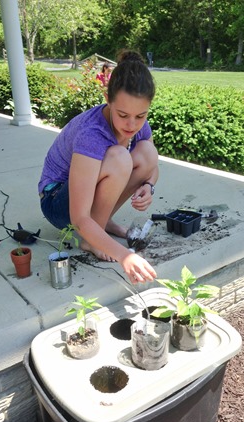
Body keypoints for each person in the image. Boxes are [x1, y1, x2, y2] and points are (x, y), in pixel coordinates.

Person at [38, 49, 159, 285]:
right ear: (108, 99)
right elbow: (79, 217)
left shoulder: (135, 124)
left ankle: (102, 225)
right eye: (123, 114)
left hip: (84, 193)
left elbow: (152, 164)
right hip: (57, 202)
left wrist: (149, 185)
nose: (132, 124)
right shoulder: (92, 133)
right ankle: (91, 239)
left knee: (147, 152)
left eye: (141, 116)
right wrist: (124, 256)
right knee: (119, 158)